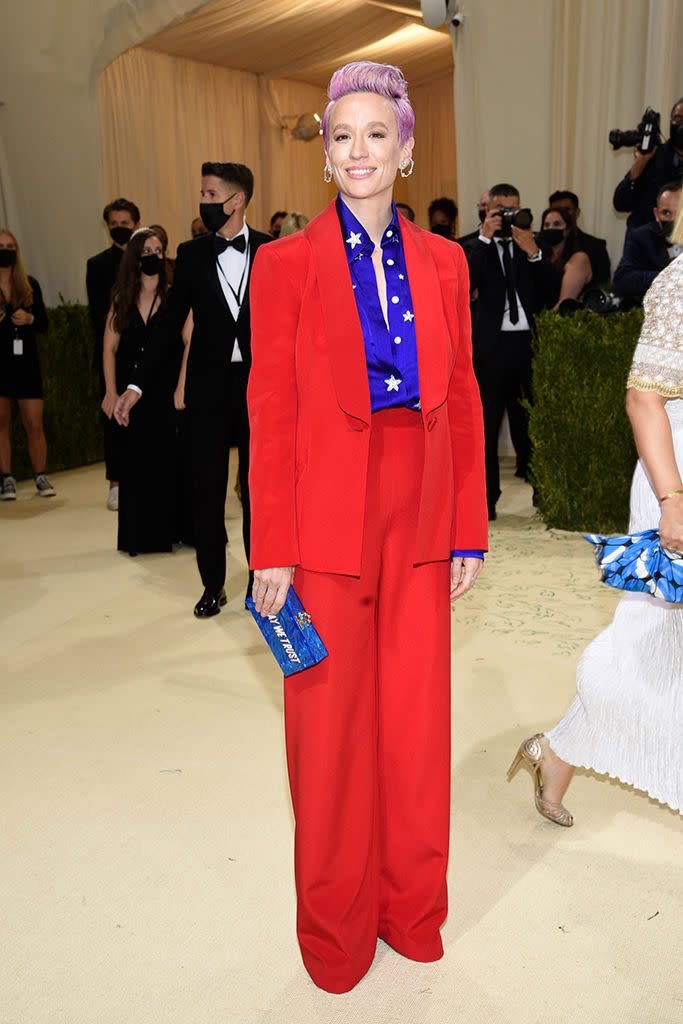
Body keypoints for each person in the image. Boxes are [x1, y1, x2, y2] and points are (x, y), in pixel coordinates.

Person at [248, 60, 487, 994]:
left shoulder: (448, 262)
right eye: (339, 136)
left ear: (406, 148)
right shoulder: (285, 265)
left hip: (420, 503)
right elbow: (267, 410)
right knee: (329, 731)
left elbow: (463, 396)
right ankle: (336, 936)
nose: (356, 151)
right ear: (323, 157)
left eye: (374, 134)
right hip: (322, 513)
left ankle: (409, 911)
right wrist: (272, 545)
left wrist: (467, 525)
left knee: (417, 724)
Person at [509, 205, 683, 824]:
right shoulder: (678, 282)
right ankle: (559, 749)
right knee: (647, 632)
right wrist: (672, 500)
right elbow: (643, 397)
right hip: (675, 475)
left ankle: (554, 752)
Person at [114, 163, 271, 616]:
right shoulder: (191, 253)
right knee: (207, 490)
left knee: (257, 490)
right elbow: (165, 327)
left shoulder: (272, 250)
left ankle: (260, 581)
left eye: (210, 192)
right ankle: (212, 584)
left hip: (259, 390)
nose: (202, 200)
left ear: (236, 200)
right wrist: (138, 383)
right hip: (207, 389)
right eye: (201, 192)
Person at [467, 184, 556, 517]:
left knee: (537, 424)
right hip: (490, 348)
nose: (507, 215)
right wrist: (486, 238)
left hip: (529, 345)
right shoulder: (472, 245)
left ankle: (545, 497)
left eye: (513, 208)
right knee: (486, 428)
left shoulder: (532, 244)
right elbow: (465, 284)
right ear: (487, 208)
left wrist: (534, 253)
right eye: (500, 208)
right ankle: (486, 502)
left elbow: (550, 291)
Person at [102, 227, 178, 555]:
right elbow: (109, 348)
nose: (153, 257)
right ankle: (137, 536)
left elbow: (186, 342)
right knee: (134, 462)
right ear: (135, 257)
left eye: (159, 250)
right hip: (129, 394)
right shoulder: (122, 298)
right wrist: (109, 391)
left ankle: (168, 532)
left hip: (163, 391)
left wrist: (182, 387)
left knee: (166, 462)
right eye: (146, 251)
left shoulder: (174, 295)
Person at [86, 197, 141, 511]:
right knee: (113, 418)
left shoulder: (145, 257)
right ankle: (115, 483)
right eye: (114, 224)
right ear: (107, 226)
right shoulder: (97, 265)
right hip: (112, 354)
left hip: (144, 353)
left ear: (135, 224)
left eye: (125, 223)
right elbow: (98, 314)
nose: (120, 228)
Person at [0, 229, 55, 500]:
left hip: (26, 364)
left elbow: (44, 323)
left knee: (34, 422)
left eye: (11, 246)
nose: (6, 250)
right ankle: (6, 478)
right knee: (1, 422)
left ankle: (40, 475)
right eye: (1, 246)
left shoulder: (29, 284)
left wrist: (30, 319)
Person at [613, 98, 683, 235]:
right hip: (647, 245)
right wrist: (639, 164)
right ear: (670, 123)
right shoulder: (653, 155)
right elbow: (620, 203)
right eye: (677, 119)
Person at [613, 181, 682, 302]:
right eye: (666, 213)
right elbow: (622, 280)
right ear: (656, 214)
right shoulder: (642, 237)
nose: (673, 220)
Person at [548, 189, 611, 284]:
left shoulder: (595, 246)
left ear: (577, 212)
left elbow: (603, 285)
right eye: (556, 210)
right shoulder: (541, 245)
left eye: (566, 210)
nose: (561, 215)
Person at [538, 206, 592, 309]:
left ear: (567, 230)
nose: (551, 228)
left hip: (561, 321)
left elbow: (564, 304)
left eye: (557, 224)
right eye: (546, 225)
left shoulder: (579, 259)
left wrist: (542, 323)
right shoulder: (541, 257)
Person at [456, 189, 490, 258]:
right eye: (483, 205)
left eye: (490, 205)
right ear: (478, 206)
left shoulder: (508, 241)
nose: (486, 209)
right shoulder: (462, 244)